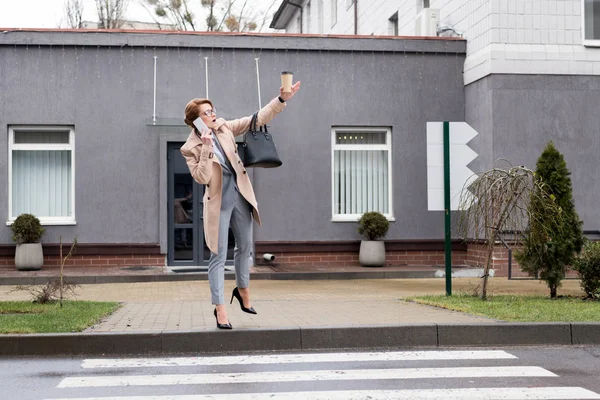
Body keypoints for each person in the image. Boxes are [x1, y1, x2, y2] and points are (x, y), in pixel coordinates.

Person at [181, 81, 301, 329]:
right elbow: (201, 178)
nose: (213, 114)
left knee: (245, 247)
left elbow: (254, 120)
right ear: (196, 121)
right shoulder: (189, 147)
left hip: (239, 194)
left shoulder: (224, 128)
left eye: (213, 110)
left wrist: (280, 100)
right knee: (218, 255)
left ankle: (243, 290)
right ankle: (220, 309)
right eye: (207, 112)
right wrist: (205, 148)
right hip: (218, 202)